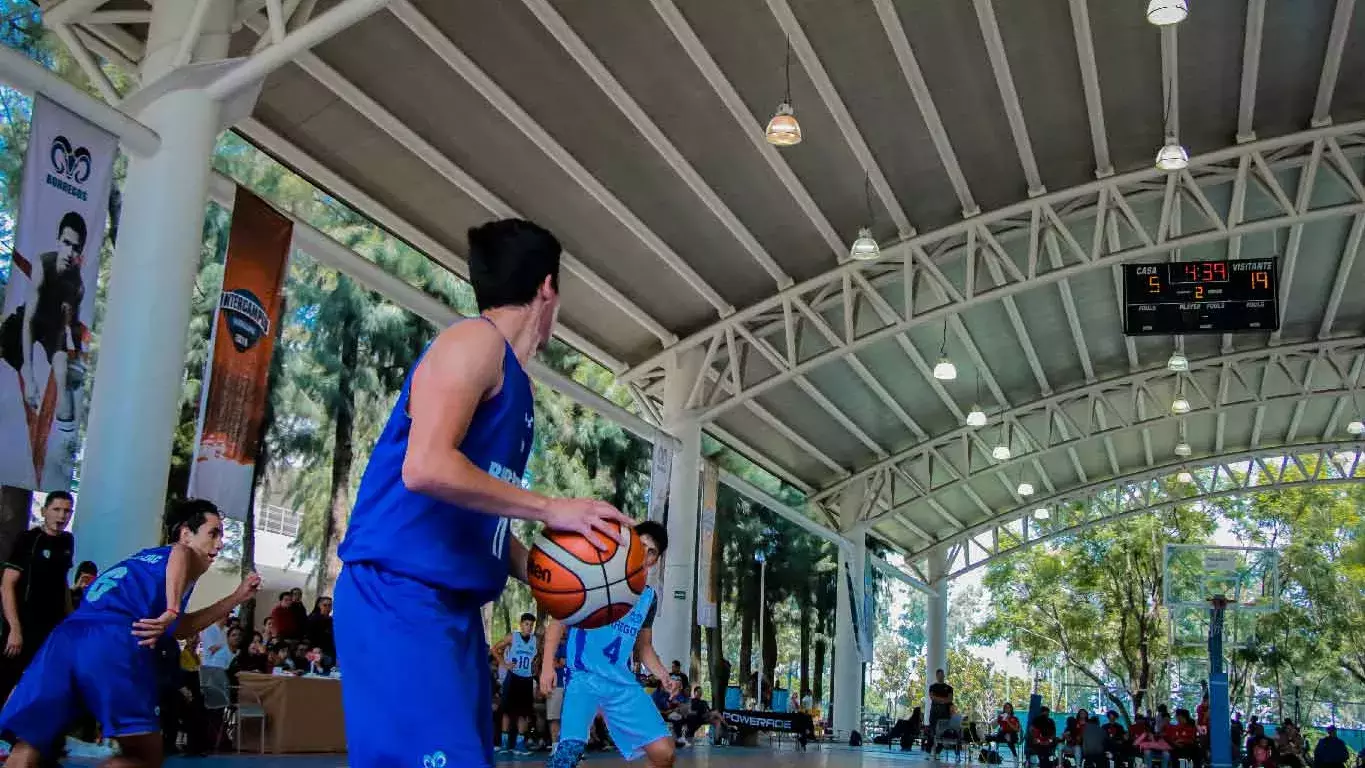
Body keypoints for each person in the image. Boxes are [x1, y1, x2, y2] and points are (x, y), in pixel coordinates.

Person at [334, 218, 633, 768]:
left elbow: (481, 520)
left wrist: (570, 574)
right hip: (399, 594)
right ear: (548, 288)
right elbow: (425, 467)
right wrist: (551, 506)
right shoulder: (473, 341)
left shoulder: (516, 384)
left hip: (451, 608)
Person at [0, 498, 262, 768]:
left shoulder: (147, 562)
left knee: (29, 745)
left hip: (66, 639)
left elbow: (181, 628)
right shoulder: (179, 556)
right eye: (213, 533)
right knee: (143, 756)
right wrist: (171, 609)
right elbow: (180, 556)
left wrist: (236, 597)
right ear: (185, 533)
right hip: (111, 639)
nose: (219, 544)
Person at [540, 521, 675, 768]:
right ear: (629, 546)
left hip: (620, 683)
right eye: (641, 546)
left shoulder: (648, 598)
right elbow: (558, 621)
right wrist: (548, 665)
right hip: (584, 677)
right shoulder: (595, 574)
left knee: (664, 753)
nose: (644, 554)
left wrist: (664, 675)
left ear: (655, 560)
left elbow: (643, 647)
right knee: (567, 753)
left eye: (651, 551)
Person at [0, 491, 75, 702]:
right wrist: (14, 628)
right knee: (7, 676)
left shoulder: (68, 541)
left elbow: (63, 581)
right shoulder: (28, 539)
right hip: (23, 622)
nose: (62, 516)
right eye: (57, 510)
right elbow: (7, 584)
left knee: (41, 680)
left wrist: (70, 619)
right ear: (44, 511)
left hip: (51, 625)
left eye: (67, 511)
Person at [491, 612, 539, 754]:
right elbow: (494, 649)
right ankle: (505, 744)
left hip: (527, 679)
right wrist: (504, 663)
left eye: (531, 625)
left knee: (524, 713)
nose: (528, 627)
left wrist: (535, 668)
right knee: (507, 710)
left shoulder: (535, 641)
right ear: (521, 624)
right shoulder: (512, 637)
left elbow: (538, 657)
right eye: (526, 624)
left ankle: (519, 745)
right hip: (513, 677)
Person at [927, 668, 954, 753]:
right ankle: (929, 750)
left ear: (944, 675)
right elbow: (932, 698)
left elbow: (950, 699)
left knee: (943, 732)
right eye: (939, 675)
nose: (940, 676)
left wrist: (939, 699)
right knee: (932, 732)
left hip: (945, 713)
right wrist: (943, 700)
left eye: (942, 675)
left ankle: (938, 751)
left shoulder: (949, 688)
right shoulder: (932, 687)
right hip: (934, 713)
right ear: (936, 676)